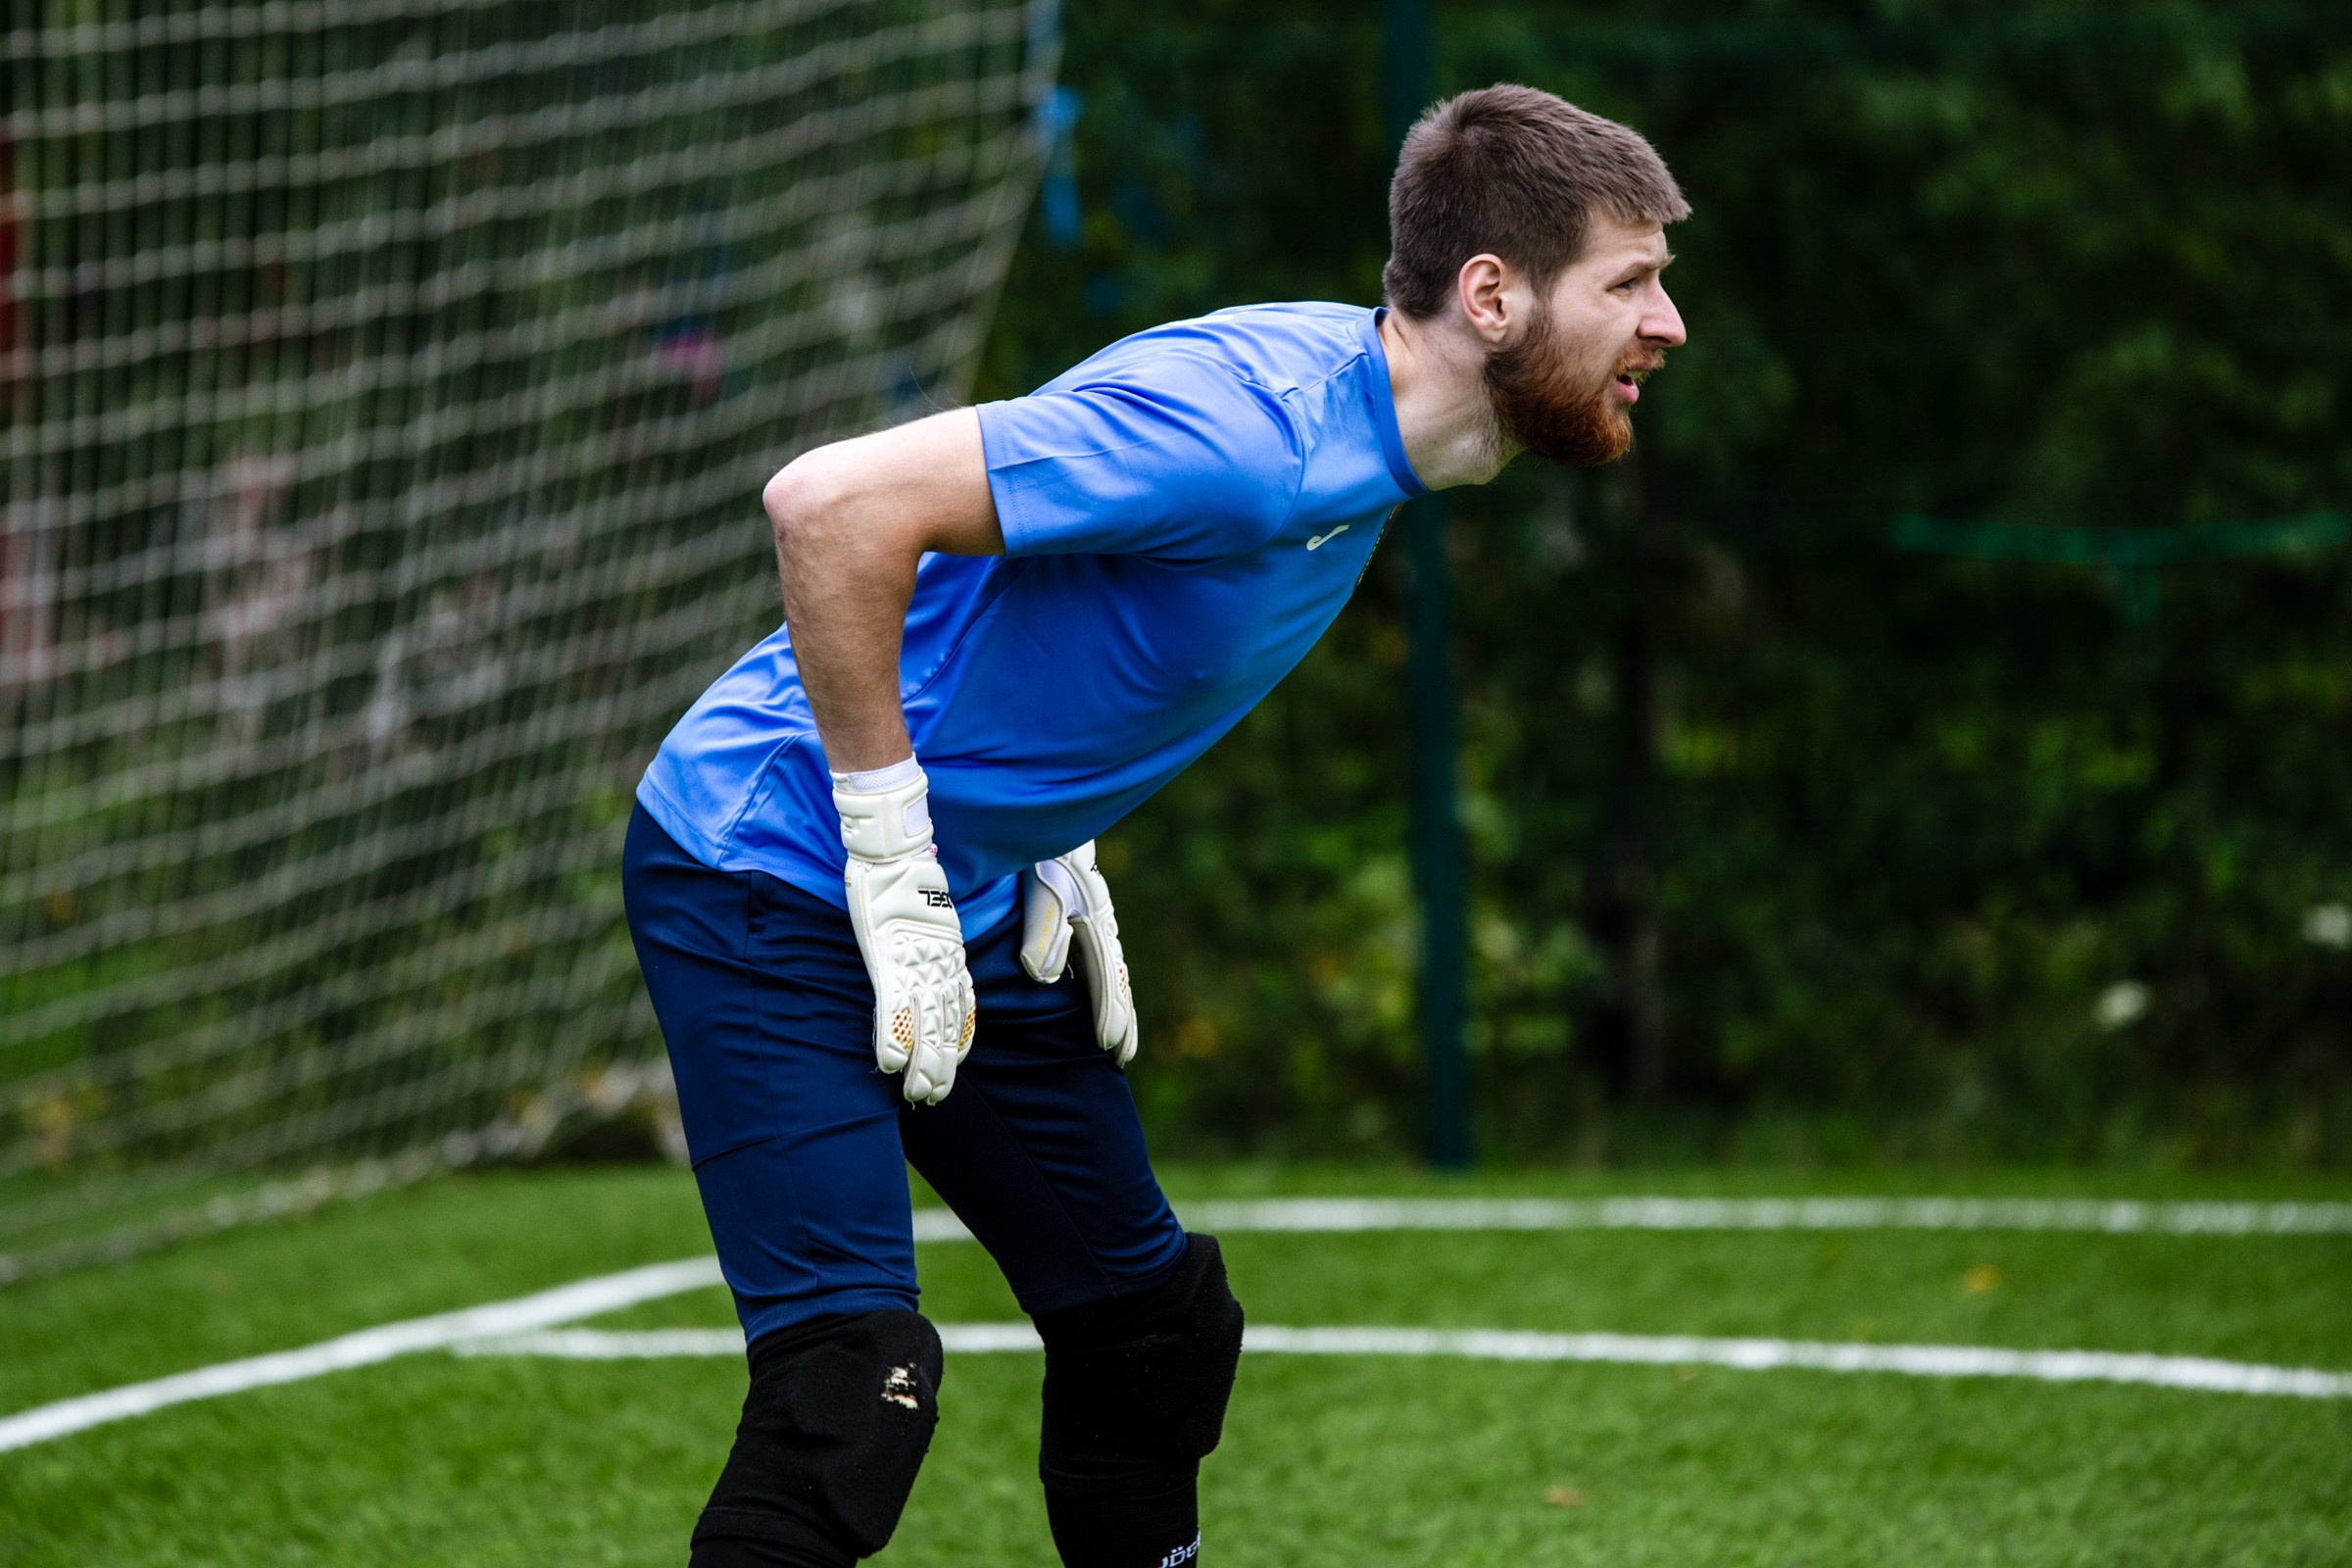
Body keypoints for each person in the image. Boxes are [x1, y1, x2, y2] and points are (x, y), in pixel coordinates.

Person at [621, 82, 1688, 1568]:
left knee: (1153, 1333)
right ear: (1491, 297)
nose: (1667, 326)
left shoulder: (1376, 428)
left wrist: (1050, 827)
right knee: (851, 1395)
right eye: (1631, 284)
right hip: (763, 865)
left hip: (961, 879)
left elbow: (1060, 602)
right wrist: (890, 852)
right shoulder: (1245, 434)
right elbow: (831, 508)